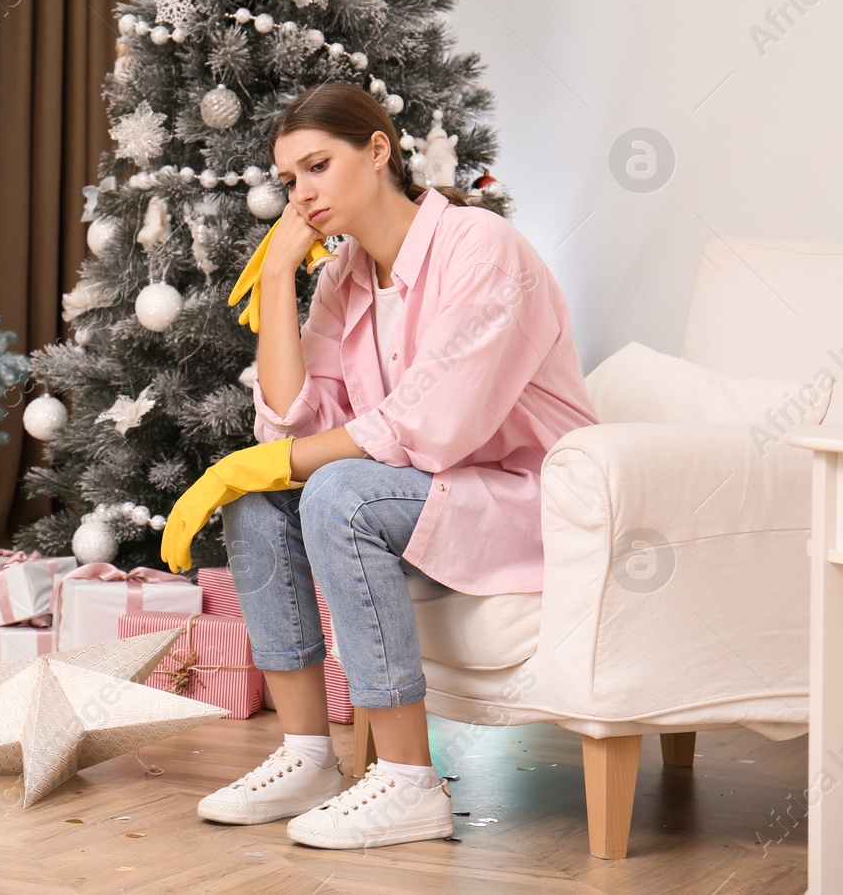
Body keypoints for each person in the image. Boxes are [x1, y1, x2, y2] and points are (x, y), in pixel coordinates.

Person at [159, 81, 599, 850]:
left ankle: (406, 780)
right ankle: (304, 754)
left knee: (334, 491)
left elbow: (430, 425)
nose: (303, 194)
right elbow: (290, 420)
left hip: (527, 498)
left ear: (378, 150)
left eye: (319, 166)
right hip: (430, 490)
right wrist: (276, 278)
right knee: (260, 502)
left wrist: (265, 460)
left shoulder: (481, 248)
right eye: (289, 180)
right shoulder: (345, 275)